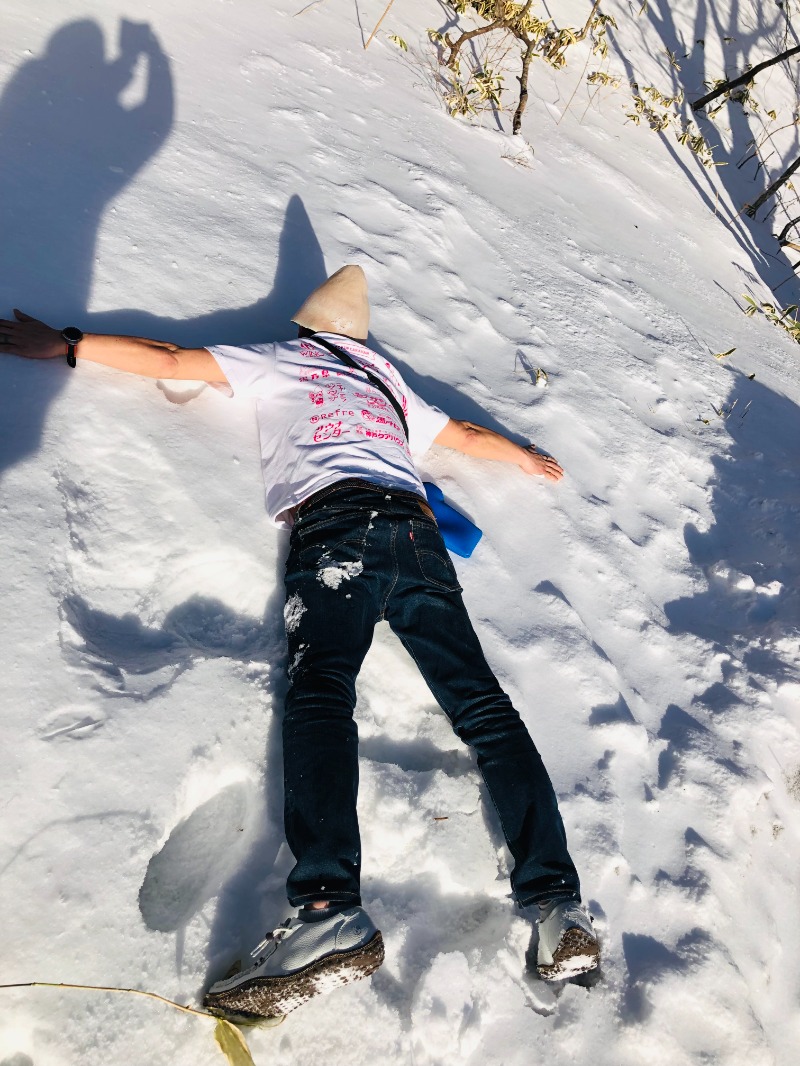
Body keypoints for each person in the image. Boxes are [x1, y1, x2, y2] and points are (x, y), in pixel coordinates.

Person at [0, 266, 599, 1023]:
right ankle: (558, 909)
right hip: (417, 536)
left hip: (337, 528)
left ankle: (327, 907)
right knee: (484, 709)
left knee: (322, 694)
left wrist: (71, 344)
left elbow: (174, 360)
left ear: (309, 328)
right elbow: (468, 438)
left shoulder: (290, 359)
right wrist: (524, 458)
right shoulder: (388, 384)